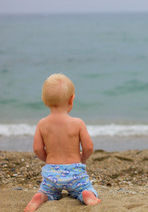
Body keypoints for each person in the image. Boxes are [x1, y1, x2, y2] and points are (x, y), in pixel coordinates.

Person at [24, 74, 101, 211]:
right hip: (75, 172)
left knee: (47, 191)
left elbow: (37, 149)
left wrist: (47, 159)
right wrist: (82, 158)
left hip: (52, 173)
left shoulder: (42, 124)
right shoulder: (78, 123)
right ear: (72, 99)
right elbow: (89, 147)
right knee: (84, 188)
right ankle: (86, 195)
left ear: (43, 100)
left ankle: (41, 197)